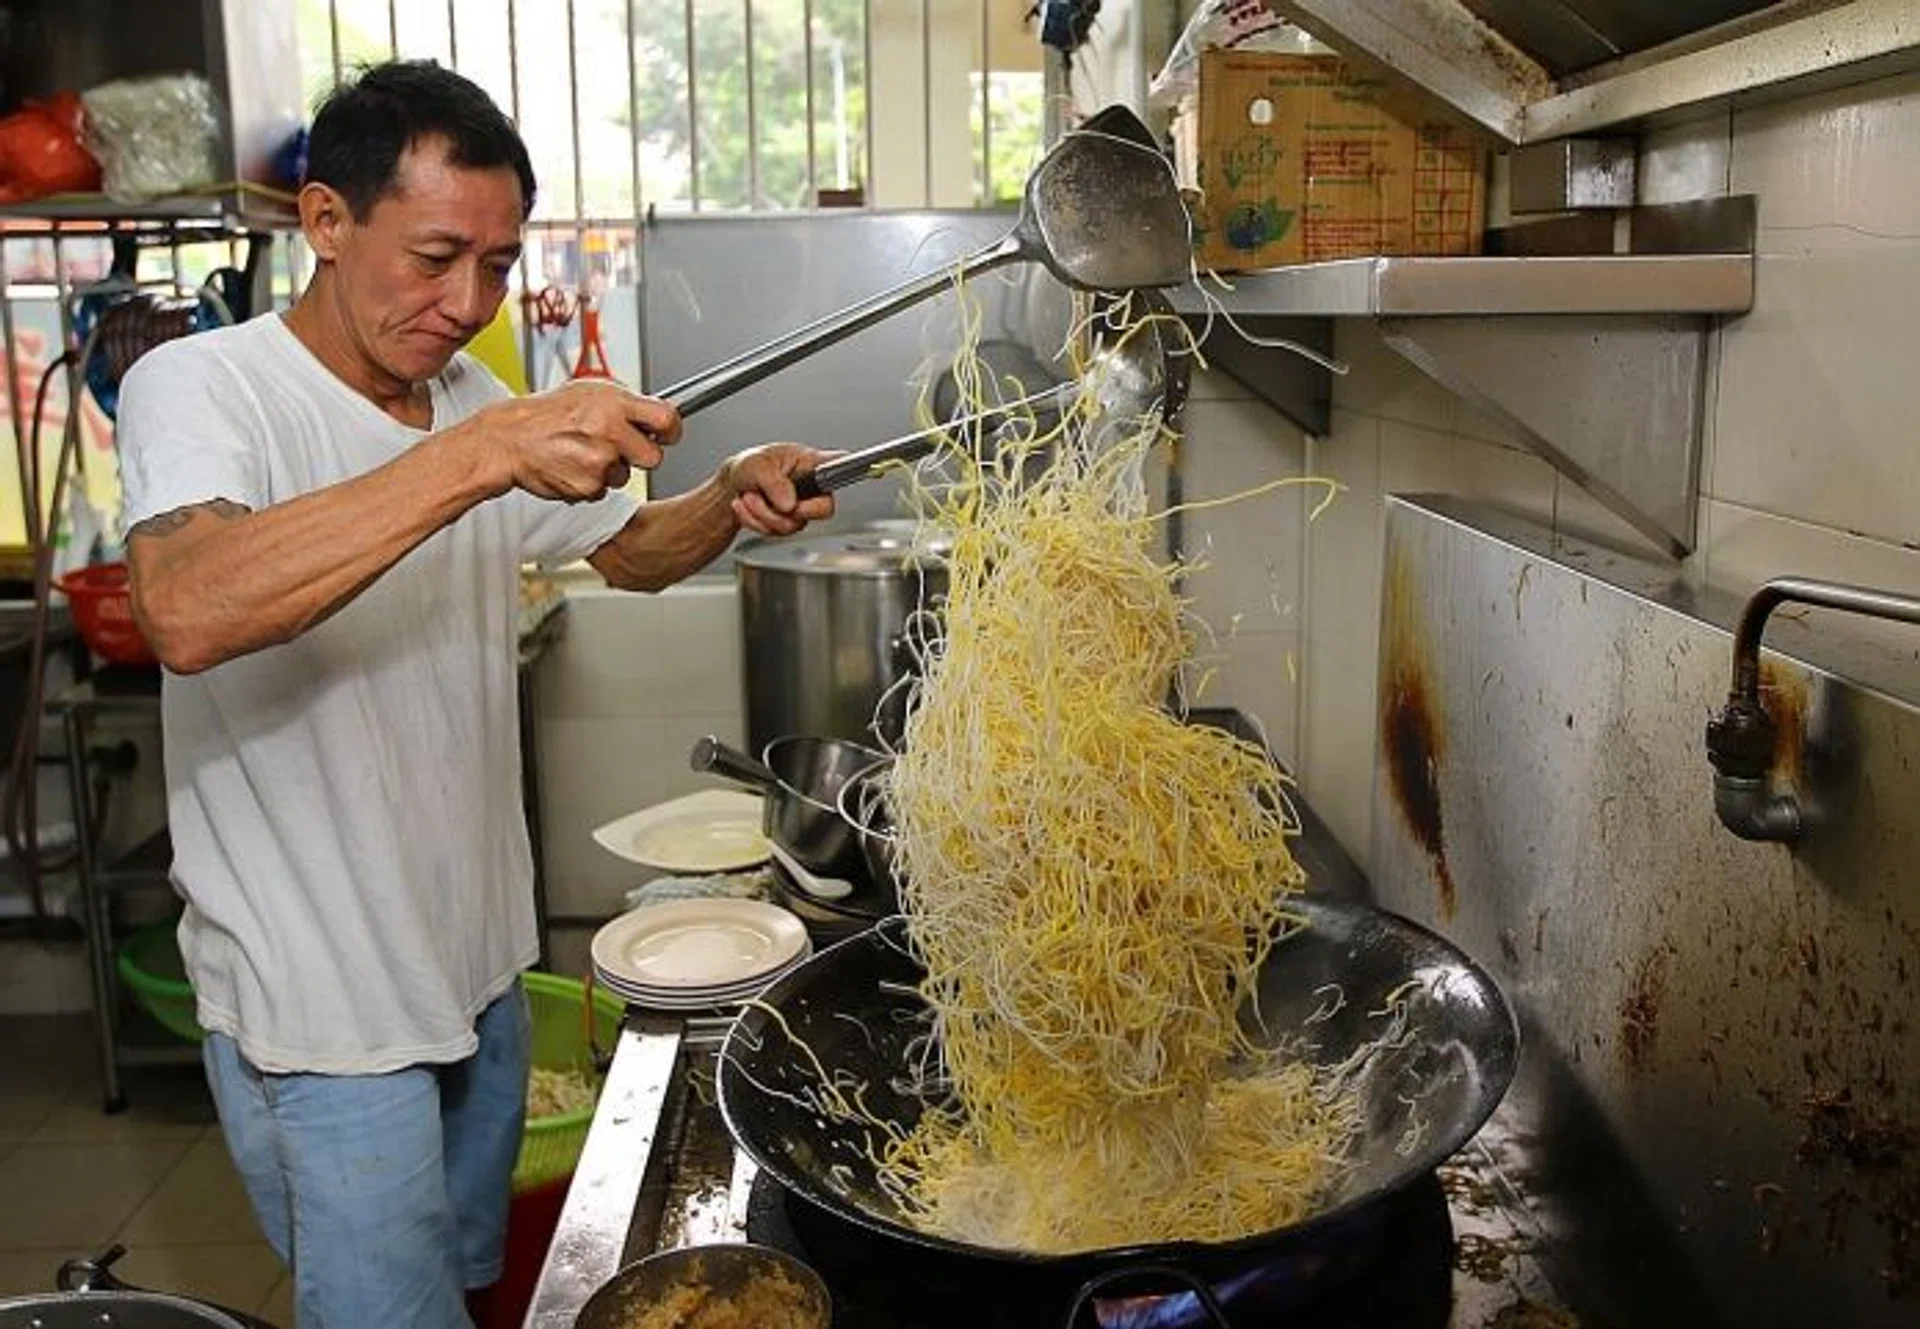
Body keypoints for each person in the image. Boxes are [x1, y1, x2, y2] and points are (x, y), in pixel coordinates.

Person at [116, 60, 832, 1328]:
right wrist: (480, 452)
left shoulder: (467, 395)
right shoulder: (209, 388)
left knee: (471, 1285)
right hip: (326, 1006)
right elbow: (188, 604)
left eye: (497, 265)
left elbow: (627, 550)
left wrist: (726, 502)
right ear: (327, 224)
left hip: (474, 969)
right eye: (437, 256)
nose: (467, 303)